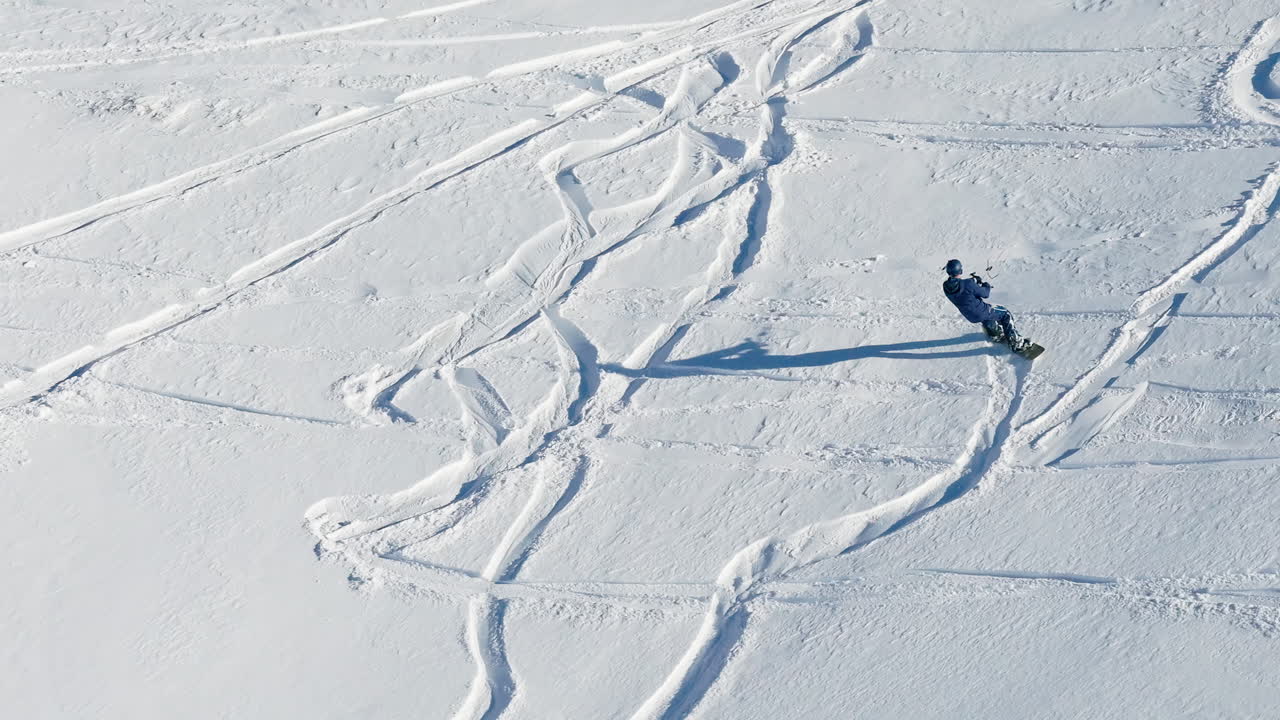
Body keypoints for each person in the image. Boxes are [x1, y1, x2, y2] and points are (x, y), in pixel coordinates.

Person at [941, 259, 1028, 350]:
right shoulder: (968, 284)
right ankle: (1015, 342)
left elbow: (961, 287)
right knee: (1005, 314)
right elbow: (985, 294)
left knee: (986, 315)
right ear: (960, 270)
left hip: (970, 316)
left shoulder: (946, 286)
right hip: (981, 311)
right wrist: (986, 285)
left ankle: (994, 333)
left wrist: (973, 281)